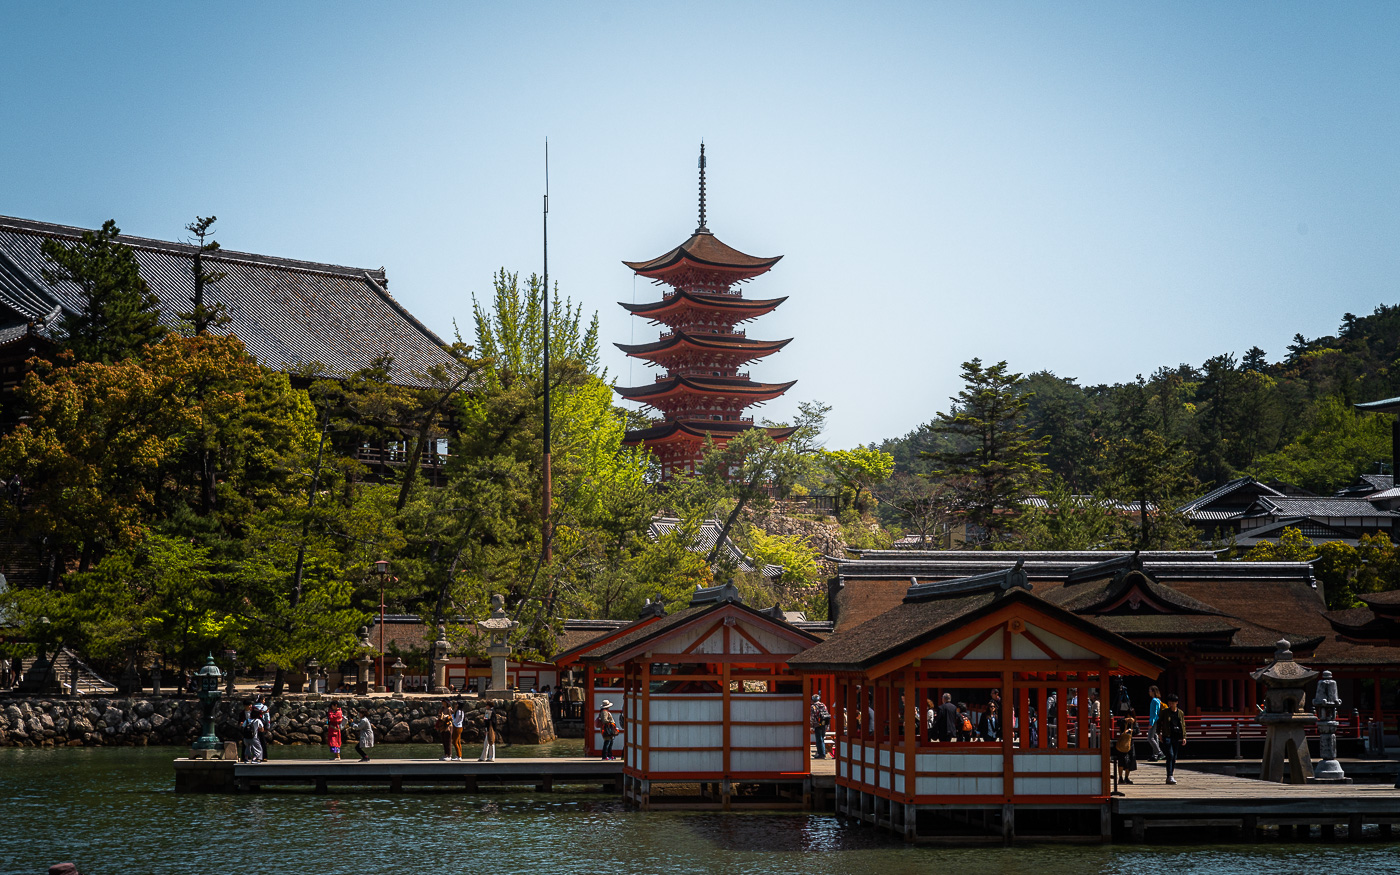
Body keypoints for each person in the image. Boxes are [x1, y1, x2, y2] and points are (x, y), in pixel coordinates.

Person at [1155, 693, 1187, 785]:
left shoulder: (1180, 713)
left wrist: (1184, 737)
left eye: (1172, 703)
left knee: (1174, 756)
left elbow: (1183, 725)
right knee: (1170, 754)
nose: (1170, 704)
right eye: (1169, 703)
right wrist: (1159, 733)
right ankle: (1169, 775)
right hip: (1167, 735)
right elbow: (1159, 722)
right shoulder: (1165, 712)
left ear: (1176, 703)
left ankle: (1171, 775)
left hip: (1176, 736)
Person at [1114, 711, 1138, 785]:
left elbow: (1137, 731)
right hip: (1122, 742)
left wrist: (1131, 730)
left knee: (1129, 760)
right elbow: (1117, 722)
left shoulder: (1134, 723)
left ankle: (1126, 777)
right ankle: (1120, 777)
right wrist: (1125, 720)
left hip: (1130, 743)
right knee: (1121, 760)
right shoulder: (1122, 721)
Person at [810, 694, 831, 759]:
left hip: (817, 724)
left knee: (819, 739)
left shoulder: (813, 706)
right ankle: (822, 752)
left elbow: (812, 717)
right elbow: (827, 715)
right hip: (824, 723)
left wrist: (811, 726)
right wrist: (828, 725)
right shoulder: (823, 705)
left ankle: (821, 754)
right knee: (822, 738)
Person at [1146, 685, 1164, 762]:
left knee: (1150, 738)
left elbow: (1154, 713)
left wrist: (1151, 723)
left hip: (1154, 721)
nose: (1149, 692)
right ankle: (1155, 755)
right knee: (1155, 737)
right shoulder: (1158, 700)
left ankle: (1159, 752)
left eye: (1150, 690)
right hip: (1158, 721)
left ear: (1153, 691)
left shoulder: (1153, 700)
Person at [253, 696, 272, 760]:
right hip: (261, 726)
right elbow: (267, 718)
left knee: (254, 741)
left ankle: (254, 756)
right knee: (262, 741)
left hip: (253, 725)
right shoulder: (265, 707)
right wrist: (268, 726)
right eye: (264, 700)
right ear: (261, 700)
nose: (264, 701)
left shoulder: (253, 707)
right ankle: (264, 757)